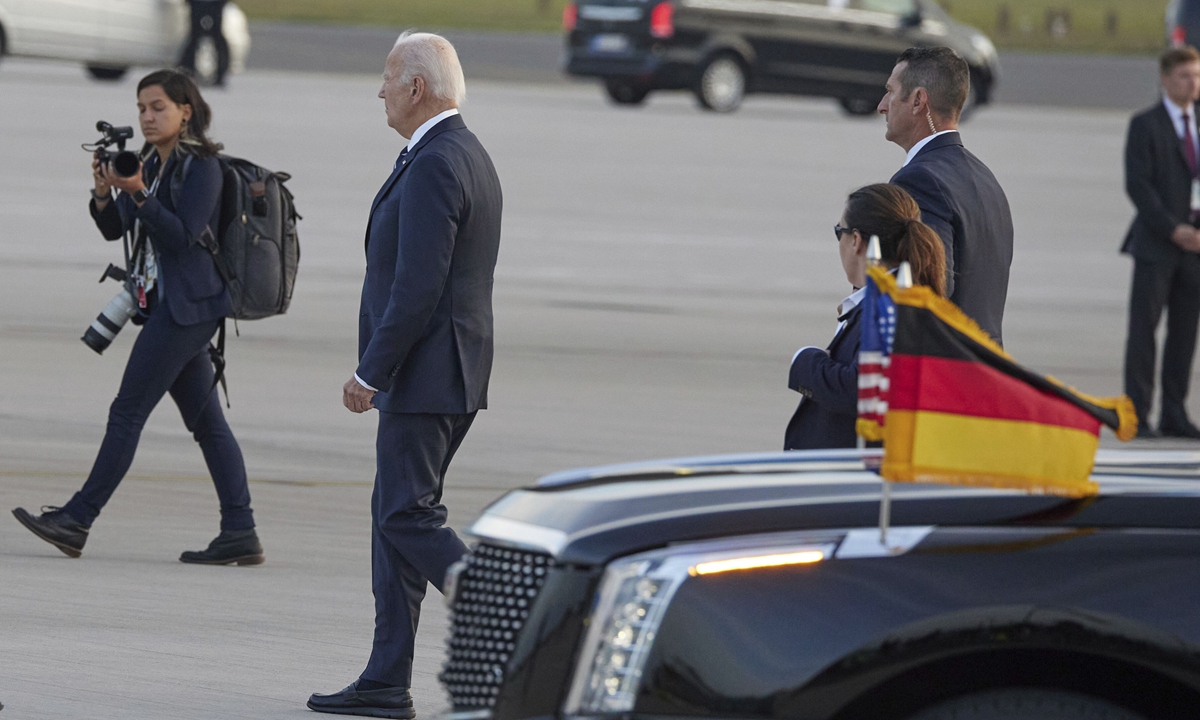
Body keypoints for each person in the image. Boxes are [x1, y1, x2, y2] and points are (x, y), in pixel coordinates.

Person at [307, 32, 502, 718]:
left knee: (405, 515)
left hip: (427, 375)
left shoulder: (438, 163)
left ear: (417, 88)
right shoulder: (459, 152)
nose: (381, 90)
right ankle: (386, 679)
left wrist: (371, 371)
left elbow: (419, 286)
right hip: (443, 371)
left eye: (388, 78)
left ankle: (511, 610)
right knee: (394, 517)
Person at [11, 70, 262, 564]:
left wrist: (140, 192)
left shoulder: (203, 167)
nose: (147, 117)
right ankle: (240, 530)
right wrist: (106, 192)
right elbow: (116, 229)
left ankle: (77, 519)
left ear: (185, 111)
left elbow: (182, 237)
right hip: (168, 306)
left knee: (126, 412)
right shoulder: (149, 163)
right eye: (142, 108)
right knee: (208, 425)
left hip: (188, 309)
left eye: (158, 107)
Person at [785, 183, 946, 450]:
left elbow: (860, 390)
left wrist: (806, 360)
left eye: (839, 232)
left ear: (856, 241)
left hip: (854, 468)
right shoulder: (888, 299)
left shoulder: (890, 306)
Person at [878, 46, 1013, 345]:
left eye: (890, 92)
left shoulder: (919, 181)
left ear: (918, 101)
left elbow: (927, 289)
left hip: (943, 364)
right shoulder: (986, 180)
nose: (882, 106)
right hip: (985, 362)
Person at [1121, 46, 1200, 439]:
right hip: (1157, 243)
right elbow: (1138, 186)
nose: (1193, 83)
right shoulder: (1145, 125)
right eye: (1185, 75)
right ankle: (1138, 413)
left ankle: (1174, 412)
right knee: (1144, 331)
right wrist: (1173, 228)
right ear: (1165, 79)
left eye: (1197, 76)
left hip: (1196, 248)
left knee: (1184, 333)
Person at [179, 0, 230, 86]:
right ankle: (187, 70)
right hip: (199, 3)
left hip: (214, 3)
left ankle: (221, 71)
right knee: (195, 36)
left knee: (215, 36)